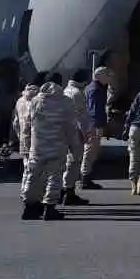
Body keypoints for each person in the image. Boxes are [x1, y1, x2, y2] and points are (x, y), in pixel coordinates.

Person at [22, 82, 78, 220]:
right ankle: (49, 207)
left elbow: (27, 124)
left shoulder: (35, 101)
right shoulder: (65, 103)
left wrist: (26, 144)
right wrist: (74, 147)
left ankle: (30, 206)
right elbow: (70, 127)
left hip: (37, 146)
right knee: (54, 177)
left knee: (33, 175)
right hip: (57, 145)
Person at [59, 69, 93, 207]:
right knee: (73, 164)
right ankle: (69, 192)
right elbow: (81, 117)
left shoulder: (66, 90)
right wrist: (86, 134)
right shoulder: (77, 94)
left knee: (67, 163)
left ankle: (63, 191)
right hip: (75, 134)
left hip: (65, 133)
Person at [79, 67, 112, 189]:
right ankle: (85, 179)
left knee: (91, 152)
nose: (109, 78)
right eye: (107, 75)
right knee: (90, 152)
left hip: (92, 124)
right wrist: (98, 126)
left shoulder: (93, 88)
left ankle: (86, 177)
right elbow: (95, 110)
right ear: (100, 76)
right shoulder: (96, 90)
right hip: (93, 125)